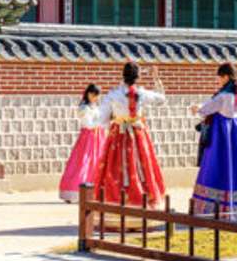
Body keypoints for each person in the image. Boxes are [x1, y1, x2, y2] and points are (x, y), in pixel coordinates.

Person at [188, 62, 237, 218]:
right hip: (235, 137)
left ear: (227, 77)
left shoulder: (223, 96)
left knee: (215, 168)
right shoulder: (236, 94)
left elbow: (206, 109)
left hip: (221, 139)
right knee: (235, 169)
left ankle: (210, 210)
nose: (218, 79)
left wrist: (196, 108)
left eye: (220, 76)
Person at [97, 63, 167, 206]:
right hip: (137, 133)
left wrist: (112, 120)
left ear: (123, 75)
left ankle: (116, 202)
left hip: (119, 134)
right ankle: (143, 201)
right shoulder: (142, 93)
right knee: (141, 165)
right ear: (138, 77)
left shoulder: (113, 94)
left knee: (116, 168)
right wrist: (156, 78)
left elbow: (102, 119)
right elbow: (161, 99)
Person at [59, 84, 108, 203]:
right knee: (83, 162)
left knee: (96, 163)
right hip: (88, 138)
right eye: (94, 95)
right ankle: (75, 192)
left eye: (97, 96)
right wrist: (101, 122)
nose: (96, 98)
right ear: (89, 94)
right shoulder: (84, 108)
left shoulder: (94, 106)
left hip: (98, 138)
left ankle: (95, 191)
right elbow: (88, 124)